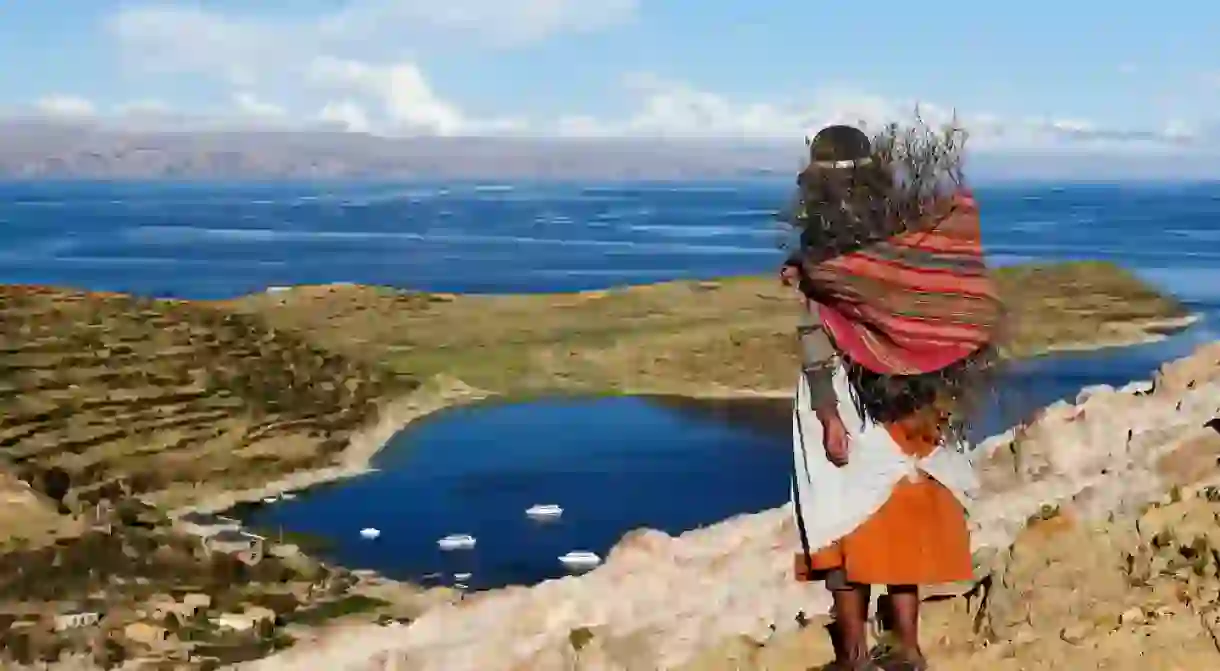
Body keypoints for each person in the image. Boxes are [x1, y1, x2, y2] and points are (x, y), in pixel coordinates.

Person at [782, 123, 1000, 670]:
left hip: (849, 393)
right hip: (921, 389)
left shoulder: (824, 242)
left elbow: (818, 336)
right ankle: (905, 645)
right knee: (902, 513)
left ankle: (855, 656)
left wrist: (830, 415)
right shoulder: (907, 226)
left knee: (842, 517)